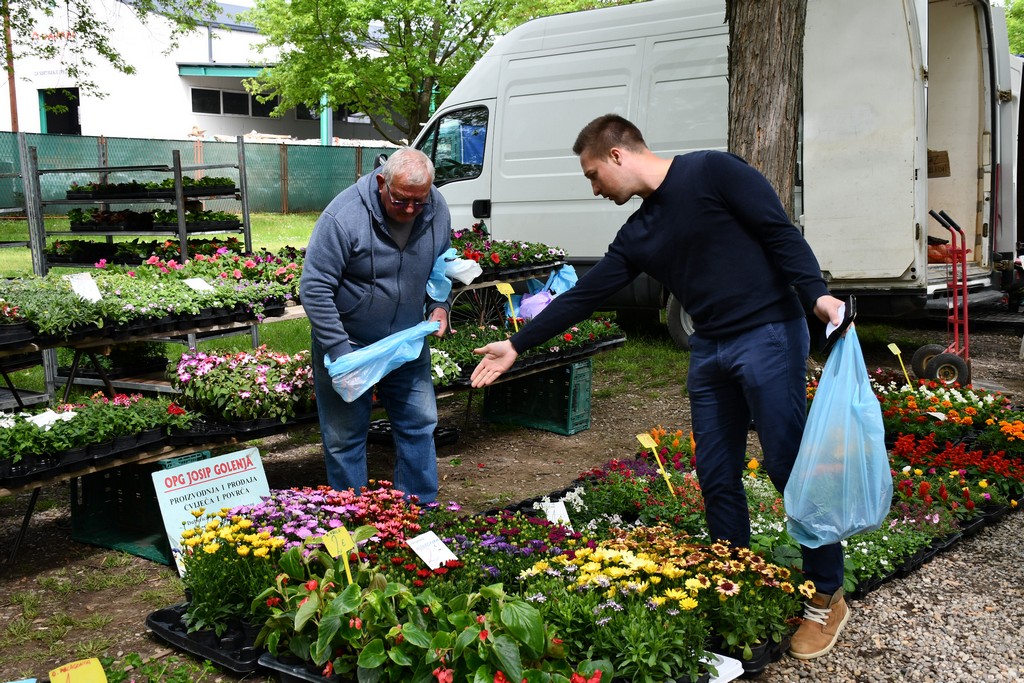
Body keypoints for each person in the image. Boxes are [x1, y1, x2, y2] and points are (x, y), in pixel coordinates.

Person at [470, 114, 849, 659]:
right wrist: (518, 344)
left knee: (787, 464)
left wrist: (816, 295)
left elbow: (778, 232)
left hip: (768, 332)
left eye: (593, 174)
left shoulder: (714, 172)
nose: (595, 189)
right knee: (715, 473)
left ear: (618, 155)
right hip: (711, 349)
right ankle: (731, 579)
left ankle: (826, 594)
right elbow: (585, 295)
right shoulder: (639, 233)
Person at [300, 147, 451, 505]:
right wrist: (339, 353)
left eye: (420, 200)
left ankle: (416, 510)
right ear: (382, 182)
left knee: (419, 425)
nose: (412, 209)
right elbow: (314, 287)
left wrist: (440, 306)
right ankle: (354, 517)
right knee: (345, 438)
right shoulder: (344, 216)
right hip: (350, 345)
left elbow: (442, 266)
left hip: (406, 342)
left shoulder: (436, 208)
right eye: (401, 201)